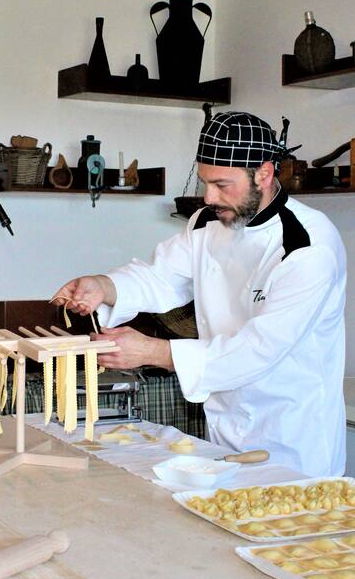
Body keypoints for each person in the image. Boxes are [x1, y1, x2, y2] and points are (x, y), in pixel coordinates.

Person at [51, 111, 347, 477]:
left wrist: (154, 352)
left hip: (293, 440)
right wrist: (104, 286)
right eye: (206, 182)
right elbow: (161, 276)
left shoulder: (308, 246)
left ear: (264, 174)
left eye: (222, 184)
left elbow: (258, 350)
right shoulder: (208, 222)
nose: (209, 196)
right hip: (222, 431)